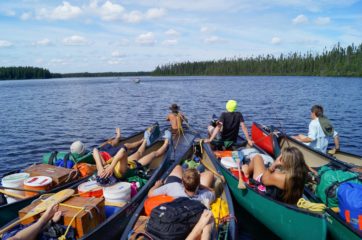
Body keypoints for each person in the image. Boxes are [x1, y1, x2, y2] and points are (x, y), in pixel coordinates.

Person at [93, 128, 171, 185]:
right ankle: (166, 143)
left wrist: (100, 168)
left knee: (139, 152)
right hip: (134, 166)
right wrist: (112, 166)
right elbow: (123, 151)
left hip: (125, 161)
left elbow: (95, 150)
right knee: (153, 154)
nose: (106, 169)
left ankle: (144, 141)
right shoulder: (119, 172)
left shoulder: (102, 167)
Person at [241, 147, 308, 204]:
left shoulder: (278, 177)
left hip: (266, 189)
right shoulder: (302, 174)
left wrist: (273, 165)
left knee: (257, 158)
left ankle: (246, 172)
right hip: (287, 199)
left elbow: (263, 180)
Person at [148, 165, 215, 207]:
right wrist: (201, 186)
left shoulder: (174, 186)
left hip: (175, 189)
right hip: (195, 189)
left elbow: (150, 194)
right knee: (209, 174)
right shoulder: (203, 196)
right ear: (198, 184)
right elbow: (213, 192)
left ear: (182, 182)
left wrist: (157, 185)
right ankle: (198, 169)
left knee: (178, 167)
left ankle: (185, 168)